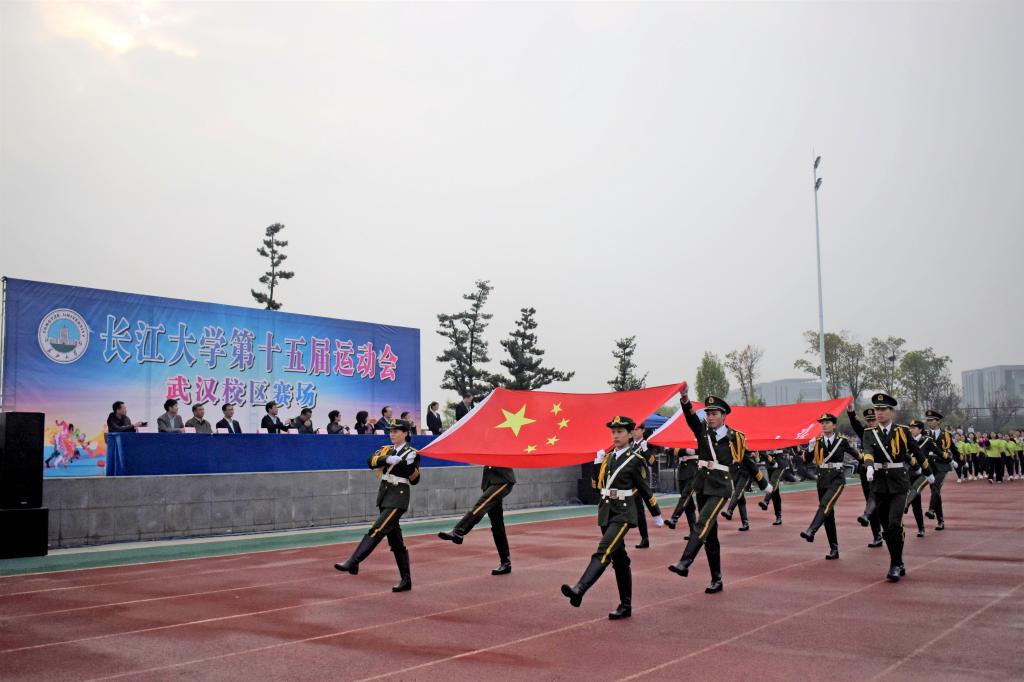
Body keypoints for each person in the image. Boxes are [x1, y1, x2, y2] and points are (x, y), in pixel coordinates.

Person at [560, 415, 663, 619]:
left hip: (624, 512)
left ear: (630, 434)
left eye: (620, 432)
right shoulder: (608, 459)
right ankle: (626, 605)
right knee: (619, 559)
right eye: (613, 432)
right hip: (607, 511)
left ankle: (580, 589)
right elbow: (596, 487)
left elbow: (644, 489)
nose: (615, 435)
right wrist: (597, 465)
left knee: (604, 550)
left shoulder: (636, 460)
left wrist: (656, 513)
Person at [668, 389, 769, 594]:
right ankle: (717, 579)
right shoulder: (702, 431)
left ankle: (684, 562)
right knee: (710, 535)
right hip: (702, 485)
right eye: (708, 413)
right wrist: (685, 400)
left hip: (721, 487)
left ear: (724, 416)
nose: (710, 417)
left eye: (714, 413)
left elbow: (747, 461)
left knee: (702, 522)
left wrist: (764, 484)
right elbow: (691, 418)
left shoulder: (735, 438)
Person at [334, 420, 421, 592]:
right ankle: (406, 580)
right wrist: (387, 459)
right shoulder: (386, 449)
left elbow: (415, 479)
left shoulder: (412, 452)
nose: (392, 434)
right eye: (391, 431)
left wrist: (405, 464)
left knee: (377, 529)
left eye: (396, 431)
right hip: (385, 496)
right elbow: (371, 461)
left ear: (405, 433)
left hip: (398, 497)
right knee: (396, 542)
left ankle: (354, 561)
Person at [859, 392, 928, 582]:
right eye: (876, 409)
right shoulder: (869, 433)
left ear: (891, 412)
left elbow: (916, 451)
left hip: (898, 483)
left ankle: (895, 565)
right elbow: (868, 451)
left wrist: (927, 472)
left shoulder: (902, 431)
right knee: (886, 529)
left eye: (883, 409)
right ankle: (898, 561)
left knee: (894, 524)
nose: (879, 413)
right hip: (879, 484)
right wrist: (869, 466)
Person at [438, 462, 517, 575]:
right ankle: (506, 562)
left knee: (481, 505)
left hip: (502, 479)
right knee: (497, 524)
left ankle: (459, 531)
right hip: (489, 482)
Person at [800, 412, 859, 560]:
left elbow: (857, 455)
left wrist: (870, 463)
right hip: (822, 479)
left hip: (837, 479)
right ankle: (834, 548)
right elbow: (806, 461)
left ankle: (811, 530)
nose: (824, 425)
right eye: (822, 423)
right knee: (828, 514)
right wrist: (809, 449)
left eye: (827, 422)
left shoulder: (842, 441)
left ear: (834, 425)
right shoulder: (816, 441)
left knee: (824, 505)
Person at [848, 405, 885, 548]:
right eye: (869, 420)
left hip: (881, 472)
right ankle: (877, 535)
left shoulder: (885, 433)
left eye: (873, 420)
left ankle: (887, 530)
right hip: (866, 472)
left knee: (881, 503)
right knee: (870, 502)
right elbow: (855, 424)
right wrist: (851, 412)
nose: (871, 423)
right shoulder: (865, 432)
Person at [903, 419, 940, 537]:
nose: (911, 430)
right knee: (916, 503)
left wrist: (950, 460)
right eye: (910, 428)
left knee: (916, 488)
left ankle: (906, 504)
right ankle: (921, 528)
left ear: (920, 429)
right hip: (910, 473)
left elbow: (938, 451)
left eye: (914, 428)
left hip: (924, 472)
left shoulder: (926, 440)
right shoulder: (905, 440)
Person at [924, 409, 958, 529]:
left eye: (932, 420)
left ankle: (931, 509)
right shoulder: (924, 434)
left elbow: (953, 449)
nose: (929, 422)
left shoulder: (946, 435)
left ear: (938, 421)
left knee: (936, 486)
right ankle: (940, 520)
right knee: (935, 491)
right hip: (929, 465)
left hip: (943, 464)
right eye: (928, 420)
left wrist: (961, 461)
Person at [630, 423, 657, 548]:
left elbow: (652, 462)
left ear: (643, 430)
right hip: (629, 481)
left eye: (637, 429)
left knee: (639, 511)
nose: (634, 432)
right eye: (633, 430)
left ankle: (644, 538)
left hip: (641, 482)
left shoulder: (648, 444)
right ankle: (644, 538)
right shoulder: (629, 445)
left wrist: (645, 450)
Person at [663, 447, 699, 538]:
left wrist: (680, 451)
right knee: (688, 503)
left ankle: (674, 518)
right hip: (682, 470)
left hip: (694, 469)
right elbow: (668, 451)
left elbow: (696, 450)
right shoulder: (677, 439)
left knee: (685, 496)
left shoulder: (696, 438)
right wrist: (684, 451)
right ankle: (693, 531)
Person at [756, 449, 788, 525]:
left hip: (780, 463)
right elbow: (761, 450)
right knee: (775, 493)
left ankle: (766, 501)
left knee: (773, 482)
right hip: (770, 464)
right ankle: (778, 517)